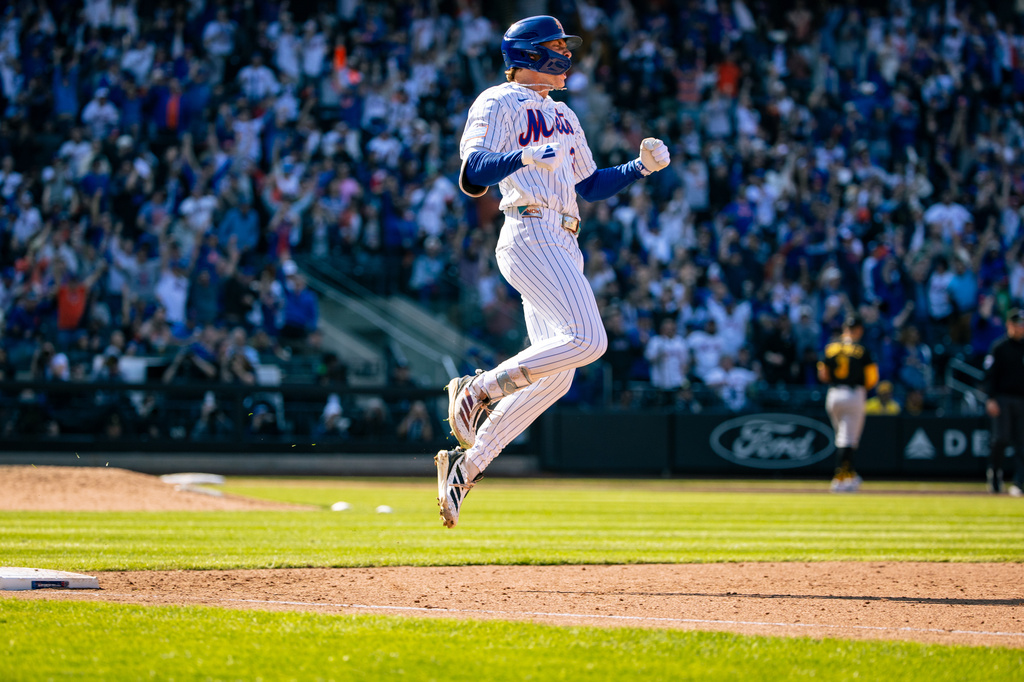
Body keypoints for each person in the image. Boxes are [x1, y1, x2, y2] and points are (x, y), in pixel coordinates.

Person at [435, 15, 671, 528]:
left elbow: (589, 184)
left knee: (558, 379)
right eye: (558, 46)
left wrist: (639, 168)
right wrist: (522, 156)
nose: (566, 55)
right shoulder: (496, 101)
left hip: (564, 237)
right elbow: (472, 173)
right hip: (529, 228)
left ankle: (466, 466)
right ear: (530, 53)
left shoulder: (563, 113)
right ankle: (477, 390)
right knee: (589, 340)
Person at [818, 314, 879, 493]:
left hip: (834, 394)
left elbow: (822, 374)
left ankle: (850, 474)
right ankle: (840, 478)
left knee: (843, 437)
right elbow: (872, 379)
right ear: (858, 329)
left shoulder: (831, 348)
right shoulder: (862, 350)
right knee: (848, 439)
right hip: (853, 393)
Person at [982, 308, 1024, 496]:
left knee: (1022, 442)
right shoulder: (999, 347)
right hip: (1003, 398)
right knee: (1000, 439)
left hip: (1022, 399)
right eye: (1017, 324)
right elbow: (990, 376)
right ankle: (995, 474)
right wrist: (990, 399)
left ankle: (1020, 481)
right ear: (1009, 325)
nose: (1020, 328)